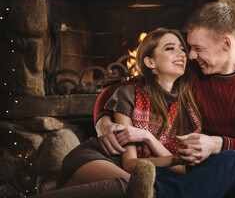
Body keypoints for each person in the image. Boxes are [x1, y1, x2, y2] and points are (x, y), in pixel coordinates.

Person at [95, 1, 235, 197]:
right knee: (151, 172)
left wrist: (216, 144)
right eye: (190, 47)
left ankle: (162, 195)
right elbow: (120, 90)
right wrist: (103, 120)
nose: (191, 55)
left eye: (198, 48)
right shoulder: (193, 71)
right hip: (195, 171)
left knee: (233, 158)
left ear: (226, 44)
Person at [29, 28, 202, 198]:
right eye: (170, 48)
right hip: (98, 159)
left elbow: (181, 169)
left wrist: (147, 137)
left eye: (182, 49)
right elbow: (130, 164)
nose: (180, 53)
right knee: (137, 188)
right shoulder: (129, 94)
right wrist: (176, 158)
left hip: (140, 172)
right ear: (150, 62)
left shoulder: (189, 105)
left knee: (145, 188)